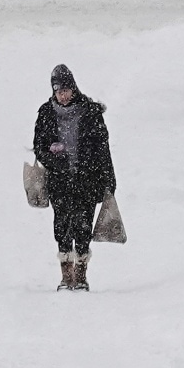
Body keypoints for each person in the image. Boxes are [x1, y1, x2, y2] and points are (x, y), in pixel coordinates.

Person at [32, 64, 115, 291]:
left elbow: (102, 148)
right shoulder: (46, 113)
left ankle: (81, 274)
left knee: (83, 225)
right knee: (62, 224)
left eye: (66, 90)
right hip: (59, 181)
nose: (63, 95)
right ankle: (66, 274)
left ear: (74, 88)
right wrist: (53, 158)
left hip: (87, 179)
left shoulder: (90, 111)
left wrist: (109, 179)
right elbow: (38, 147)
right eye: (59, 91)